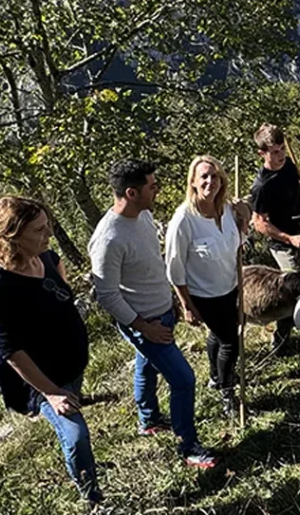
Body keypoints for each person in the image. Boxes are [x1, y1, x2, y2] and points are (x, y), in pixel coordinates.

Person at [87, 158, 217, 468]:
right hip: (145, 323)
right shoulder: (108, 239)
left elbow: (149, 264)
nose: (157, 188)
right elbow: (107, 295)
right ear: (132, 193)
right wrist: (143, 327)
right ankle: (188, 447)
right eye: (152, 185)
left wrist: (172, 297)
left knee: (146, 367)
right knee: (184, 380)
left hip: (161, 312)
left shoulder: (142, 215)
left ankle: (148, 420)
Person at [0, 196, 103, 506]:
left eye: (47, 226)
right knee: (75, 436)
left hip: (71, 366)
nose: (48, 235)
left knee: (77, 431)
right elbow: (10, 349)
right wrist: (50, 392)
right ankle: (93, 500)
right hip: (41, 381)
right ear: (11, 236)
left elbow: (58, 283)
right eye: (38, 230)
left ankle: (88, 478)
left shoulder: (45, 258)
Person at [165, 155, 250, 418]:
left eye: (214, 176)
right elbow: (174, 269)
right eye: (204, 176)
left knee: (218, 334)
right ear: (192, 181)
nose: (210, 182)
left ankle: (215, 377)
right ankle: (227, 391)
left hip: (230, 285)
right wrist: (186, 305)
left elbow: (236, 242)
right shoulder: (183, 221)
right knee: (230, 342)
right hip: (204, 295)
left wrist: (244, 218)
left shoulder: (226, 210)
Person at [249, 123, 300, 349]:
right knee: (292, 292)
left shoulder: (290, 166)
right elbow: (260, 223)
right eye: (274, 151)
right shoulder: (262, 186)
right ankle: (281, 342)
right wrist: (289, 238)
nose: (281, 154)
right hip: (283, 243)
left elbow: (297, 195)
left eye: (282, 148)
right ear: (262, 153)